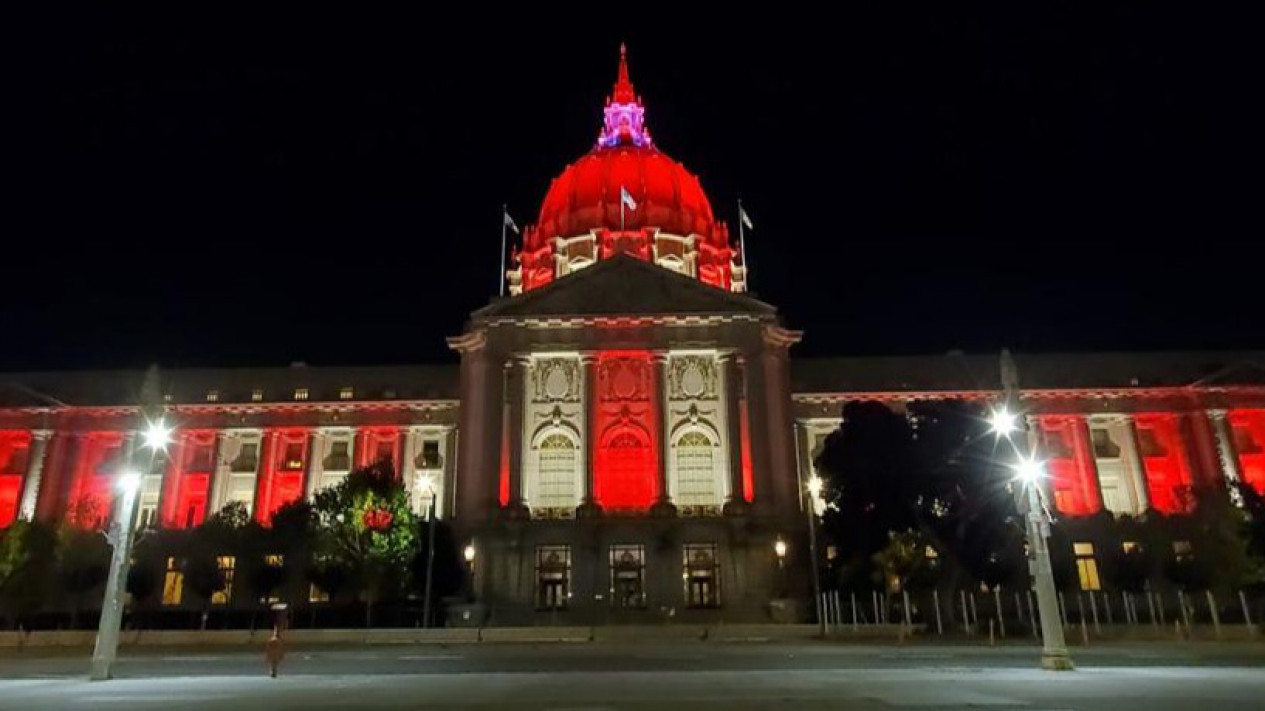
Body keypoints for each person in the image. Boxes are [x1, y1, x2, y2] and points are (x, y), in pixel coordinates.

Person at [264, 603, 289, 678]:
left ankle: (273, 670)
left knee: (274, 660)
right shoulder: (275, 638)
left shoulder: (276, 637)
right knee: (274, 660)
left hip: (275, 644)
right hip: (275, 644)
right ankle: (273, 670)